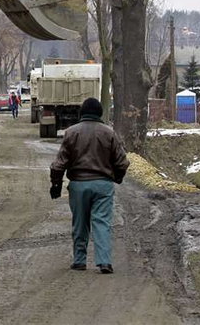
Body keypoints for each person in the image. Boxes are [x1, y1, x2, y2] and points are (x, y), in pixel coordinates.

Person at [49, 97, 130, 274]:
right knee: (102, 222)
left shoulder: (71, 132)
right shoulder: (109, 133)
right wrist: (117, 178)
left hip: (78, 185)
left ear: (82, 113)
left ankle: (79, 261)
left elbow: (59, 163)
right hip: (103, 186)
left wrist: (56, 184)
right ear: (100, 113)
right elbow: (122, 162)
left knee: (80, 222)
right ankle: (104, 262)